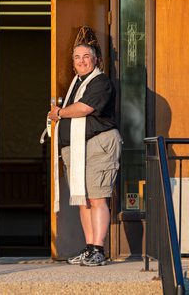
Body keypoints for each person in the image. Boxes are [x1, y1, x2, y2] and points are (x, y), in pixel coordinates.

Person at [48, 43, 122, 267]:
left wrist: (58, 113)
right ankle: (90, 248)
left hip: (98, 146)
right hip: (79, 149)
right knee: (83, 200)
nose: (82, 60)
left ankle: (98, 250)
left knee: (97, 198)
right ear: (73, 63)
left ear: (96, 59)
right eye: (77, 57)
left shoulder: (101, 83)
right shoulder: (76, 85)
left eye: (86, 56)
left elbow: (84, 108)